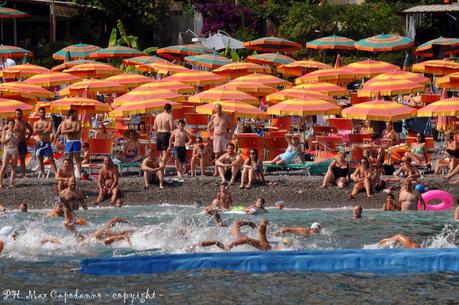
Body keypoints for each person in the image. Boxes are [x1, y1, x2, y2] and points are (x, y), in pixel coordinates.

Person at [197, 218, 272, 251]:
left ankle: (193, 245)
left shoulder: (234, 235)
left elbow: (236, 223)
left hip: (234, 240)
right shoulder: (267, 246)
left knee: (217, 242)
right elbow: (246, 240)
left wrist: (249, 223)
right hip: (234, 242)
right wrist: (230, 246)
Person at [207, 103, 233, 175]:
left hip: (224, 136)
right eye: (216, 109)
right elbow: (208, 127)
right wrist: (210, 135)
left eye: (219, 108)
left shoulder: (226, 116)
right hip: (216, 136)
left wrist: (230, 134)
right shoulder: (213, 117)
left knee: (226, 153)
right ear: (215, 109)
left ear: (221, 109)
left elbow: (232, 125)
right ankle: (216, 171)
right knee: (216, 155)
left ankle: (226, 170)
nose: (218, 110)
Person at [33, 107, 57, 177]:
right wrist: (44, 130)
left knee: (51, 158)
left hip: (46, 142)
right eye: (41, 112)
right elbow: (35, 132)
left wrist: (39, 130)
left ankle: (56, 173)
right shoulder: (36, 123)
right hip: (38, 143)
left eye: (43, 112)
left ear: (45, 113)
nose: (42, 114)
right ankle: (43, 174)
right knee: (40, 160)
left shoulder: (49, 121)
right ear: (38, 113)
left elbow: (49, 130)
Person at [60, 109, 82, 178]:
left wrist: (68, 130)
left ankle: (79, 173)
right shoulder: (65, 122)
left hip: (76, 141)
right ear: (71, 114)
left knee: (77, 158)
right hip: (69, 141)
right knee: (69, 159)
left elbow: (77, 131)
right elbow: (62, 131)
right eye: (75, 113)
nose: (77, 115)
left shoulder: (78, 122)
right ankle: (72, 174)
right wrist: (72, 130)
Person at [13, 108, 33, 178]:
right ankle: (14, 174)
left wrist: (28, 137)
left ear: (22, 114)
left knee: (22, 159)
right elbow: (5, 129)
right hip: (14, 143)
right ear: (15, 114)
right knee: (13, 159)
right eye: (17, 114)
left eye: (19, 114)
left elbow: (31, 130)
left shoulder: (24, 122)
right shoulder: (13, 122)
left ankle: (23, 174)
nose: (18, 115)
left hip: (22, 142)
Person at [0, 119, 19, 188]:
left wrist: (12, 137)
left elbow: (17, 142)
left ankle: (11, 182)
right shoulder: (4, 132)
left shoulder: (16, 132)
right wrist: (9, 138)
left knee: (14, 166)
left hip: (14, 149)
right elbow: (2, 141)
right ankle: (1, 183)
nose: (11, 125)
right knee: (4, 166)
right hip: (7, 149)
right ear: (8, 125)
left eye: (12, 124)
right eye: (10, 124)